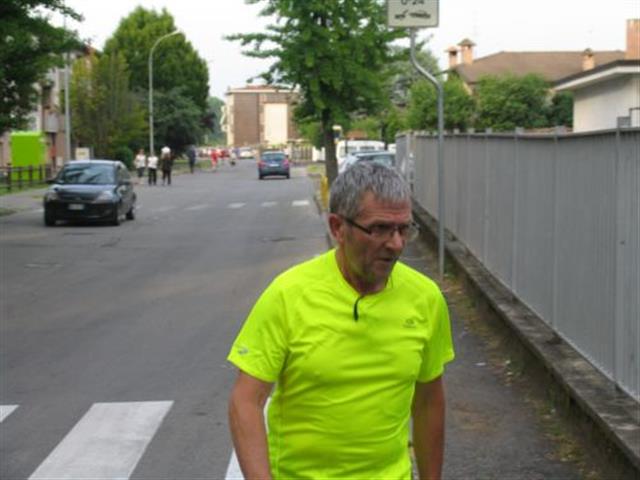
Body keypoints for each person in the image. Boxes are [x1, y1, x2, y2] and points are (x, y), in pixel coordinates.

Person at [228, 162, 455, 480]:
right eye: (379, 229)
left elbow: (429, 401)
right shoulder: (288, 295)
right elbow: (245, 401)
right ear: (338, 228)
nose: (396, 244)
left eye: (403, 229)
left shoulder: (425, 298)